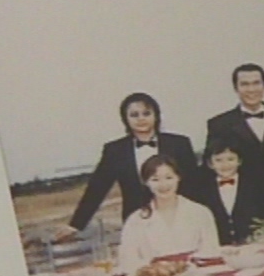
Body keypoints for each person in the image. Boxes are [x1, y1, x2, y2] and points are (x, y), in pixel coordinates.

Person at [57, 93, 198, 240]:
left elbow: (193, 184)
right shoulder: (115, 150)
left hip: (178, 217)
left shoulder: (179, 144)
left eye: (146, 113)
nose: (141, 119)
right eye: (134, 115)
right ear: (125, 119)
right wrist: (76, 224)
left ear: (156, 115)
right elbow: (97, 188)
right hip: (137, 221)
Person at [205, 63, 264, 216]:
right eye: (244, 84)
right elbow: (211, 166)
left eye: (256, 83)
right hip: (246, 203)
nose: (251, 89)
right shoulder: (219, 124)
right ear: (236, 88)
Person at [117, 154, 221, 276]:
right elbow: (128, 261)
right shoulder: (136, 220)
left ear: (178, 177)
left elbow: (212, 252)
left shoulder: (200, 212)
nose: (163, 185)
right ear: (146, 182)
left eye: (169, 178)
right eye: (155, 180)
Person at [195, 133, 264, 246]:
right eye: (218, 160)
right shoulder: (202, 191)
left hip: (254, 246)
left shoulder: (255, 186)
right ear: (210, 164)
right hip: (219, 248)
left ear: (239, 161)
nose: (225, 165)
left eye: (230, 159)